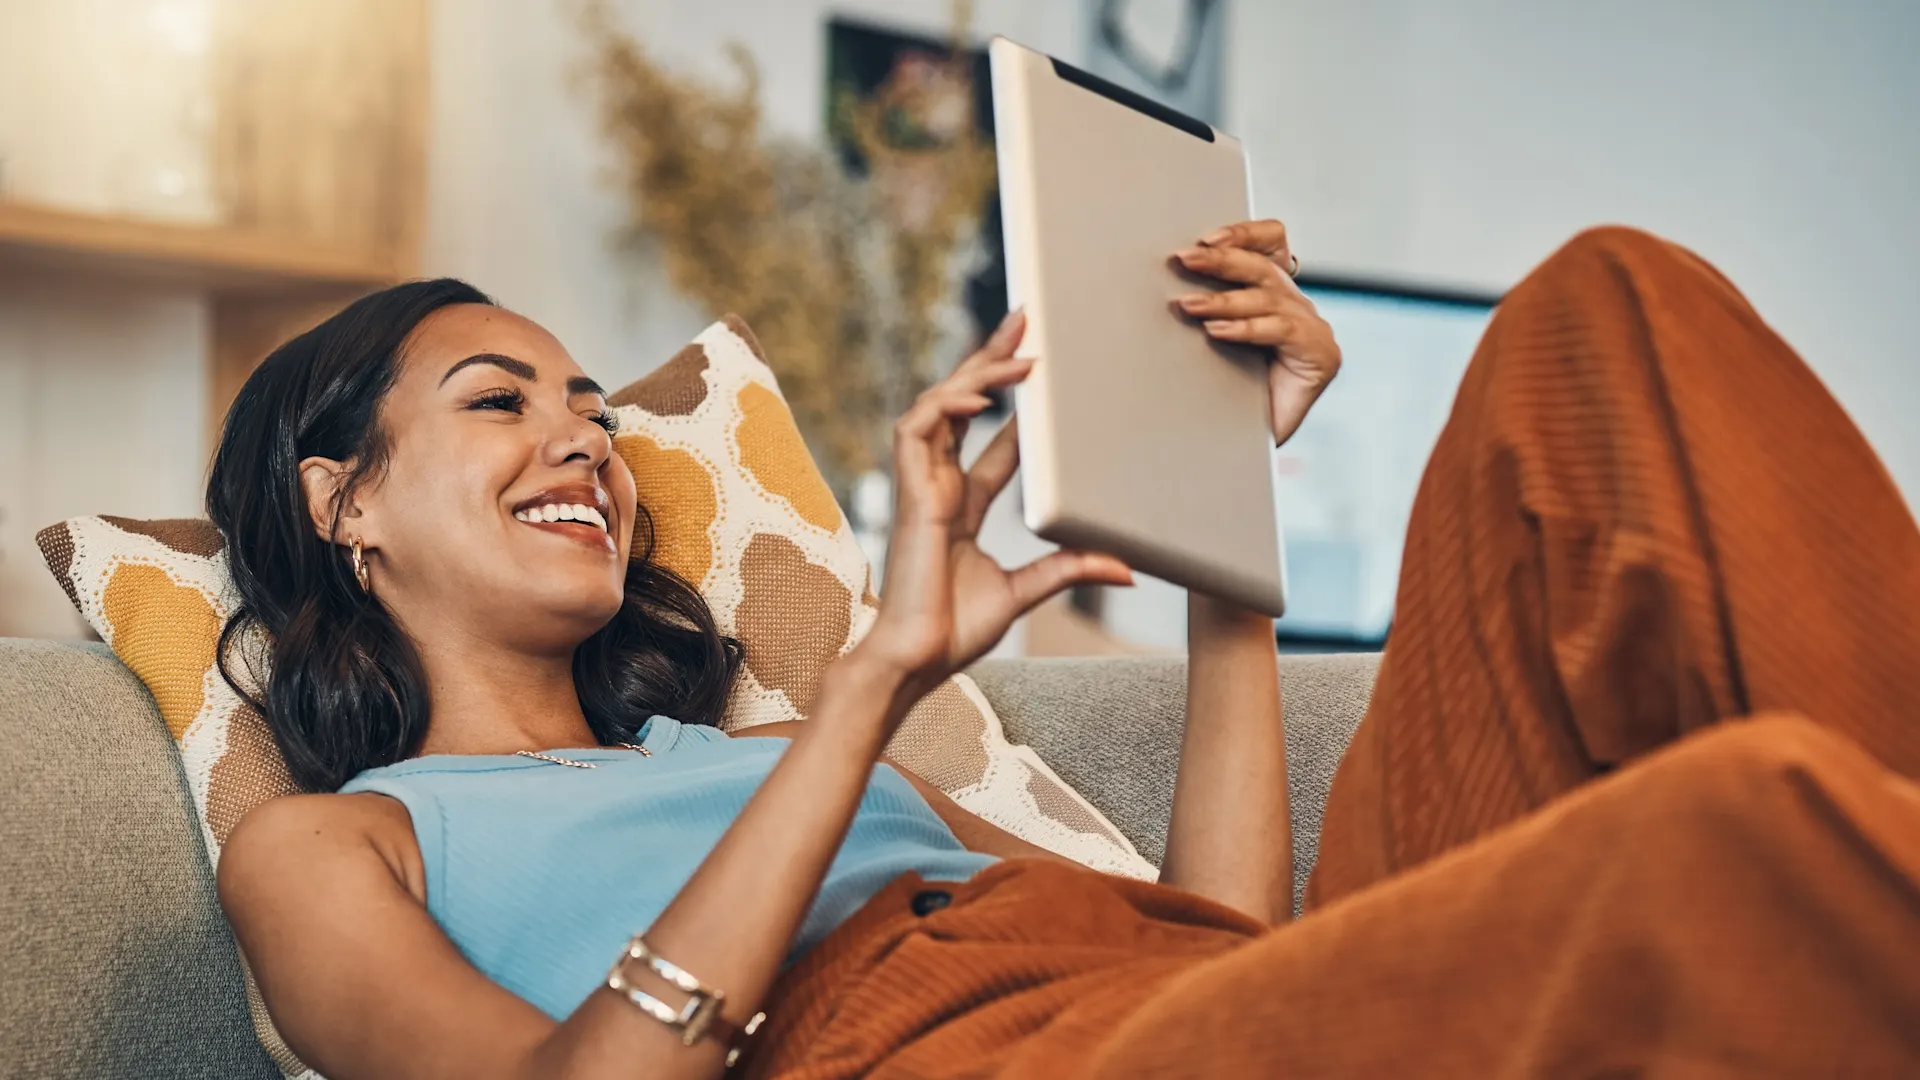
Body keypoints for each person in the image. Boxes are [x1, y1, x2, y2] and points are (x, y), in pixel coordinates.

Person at [210, 221, 1920, 1080]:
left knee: (1606, 316)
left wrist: (1217, 530)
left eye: (592, 411)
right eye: (501, 403)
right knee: (1739, 842)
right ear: (342, 502)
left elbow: (1223, 951)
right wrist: (872, 678)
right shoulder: (337, 842)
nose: (582, 443)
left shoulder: (732, 762)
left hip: (1184, 1011)